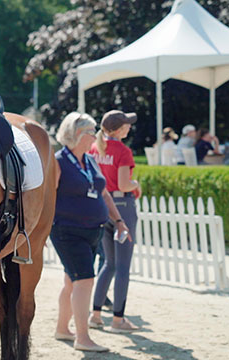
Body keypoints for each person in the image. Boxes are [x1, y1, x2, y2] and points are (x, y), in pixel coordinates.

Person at [50, 112, 129, 352]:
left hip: (92, 230)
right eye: (89, 132)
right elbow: (48, 196)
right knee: (84, 281)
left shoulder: (91, 159)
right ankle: (83, 338)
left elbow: (103, 193)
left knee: (72, 281)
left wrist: (119, 221)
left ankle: (62, 329)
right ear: (75, 135)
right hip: (67, 230)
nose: (94, 136)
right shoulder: (59, 161)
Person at [88, 110, 141, 333]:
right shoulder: (123, 151)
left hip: (102, 208)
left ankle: (96, 314)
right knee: (122, 267)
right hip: (122, 208)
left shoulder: (94, 147)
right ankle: (118, 319)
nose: (129, 127)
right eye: (127, 125)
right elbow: (123, 183)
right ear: (119, 129)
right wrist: (136, 184)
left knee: (109, 264)